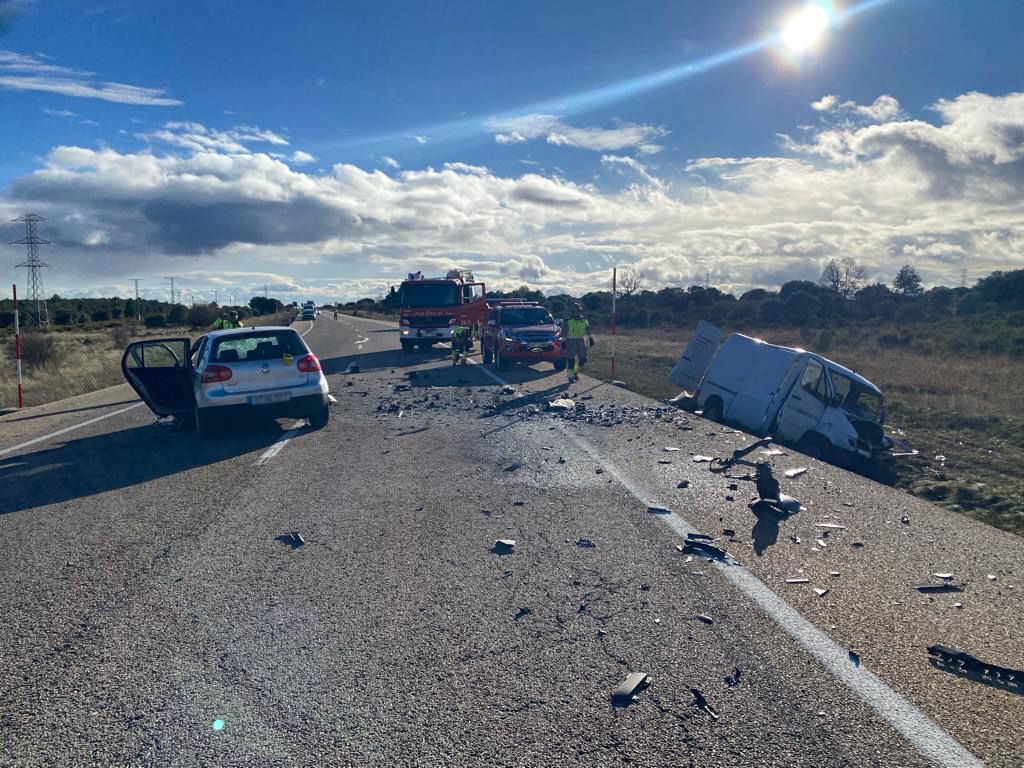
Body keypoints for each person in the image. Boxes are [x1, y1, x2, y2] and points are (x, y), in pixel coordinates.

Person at [563, 302, 594, 383]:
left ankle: (575, 372)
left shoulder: (584, 320)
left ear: (580, 311)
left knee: (583, 359)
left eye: (577, 311)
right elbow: (564, 332)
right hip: (570, 341)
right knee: (571, 360)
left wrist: (591, 338)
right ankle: (570, 377)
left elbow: (587, 329)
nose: (576, 313)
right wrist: (563, 341)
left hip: (581, 340)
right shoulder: (568, 321)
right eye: (574, 311)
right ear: (572, 312)